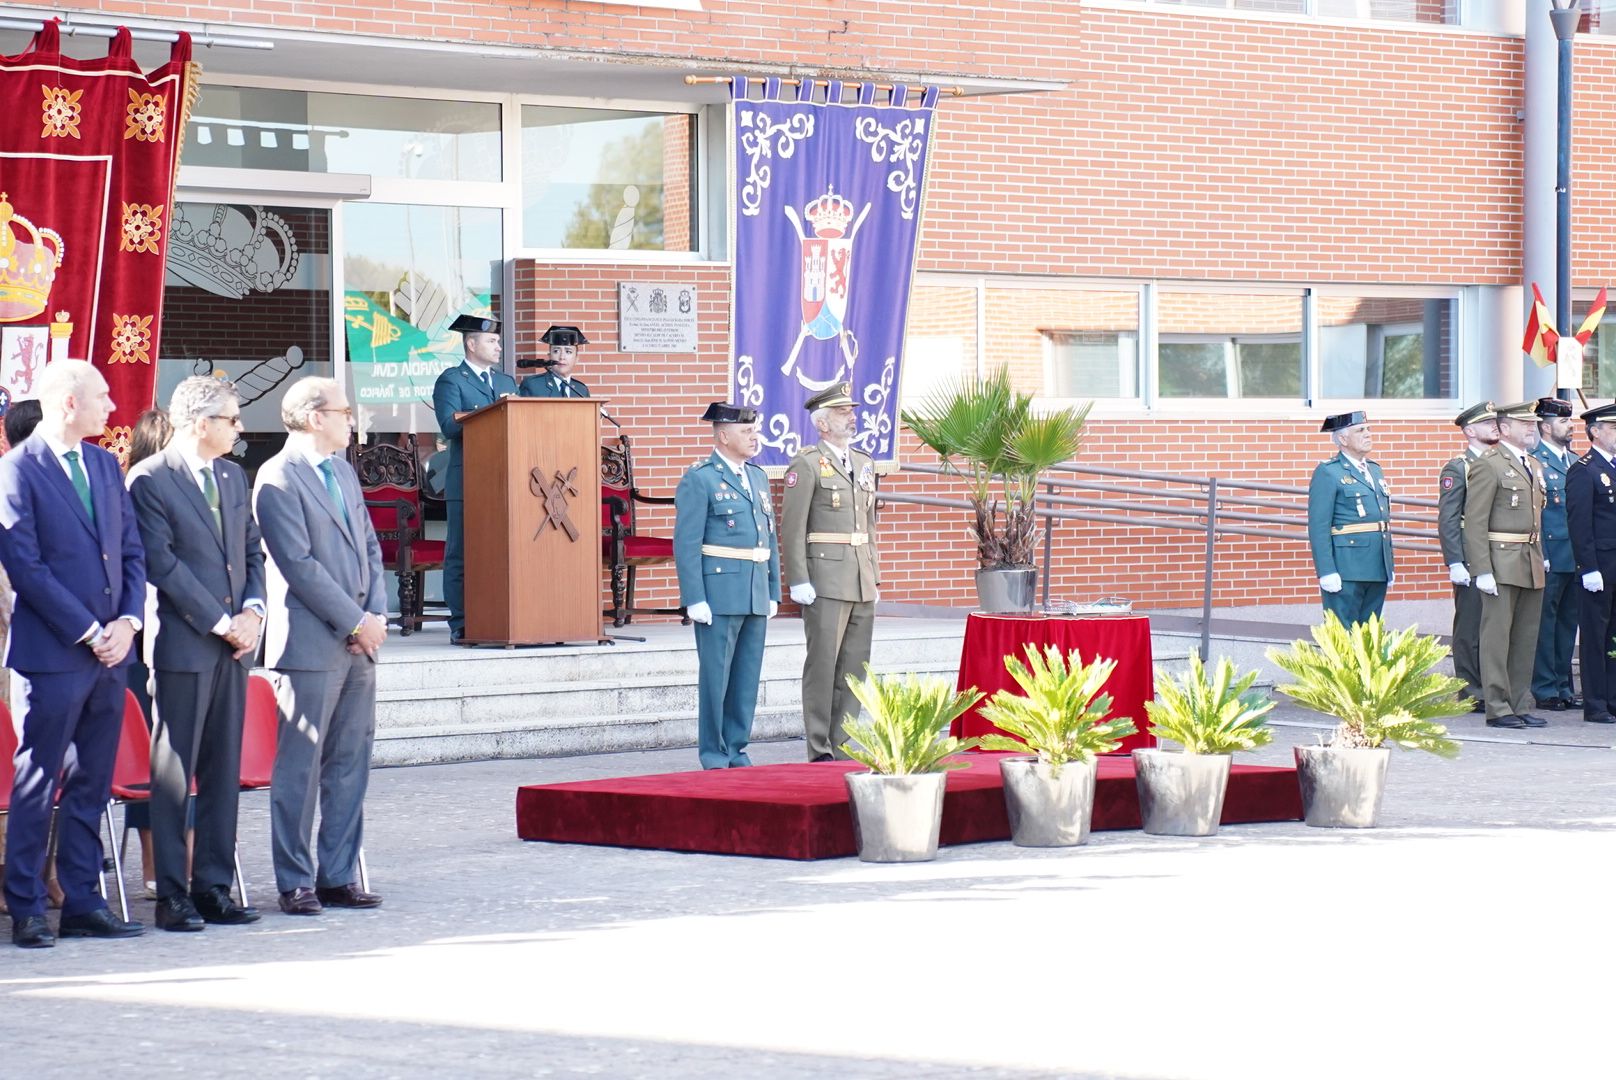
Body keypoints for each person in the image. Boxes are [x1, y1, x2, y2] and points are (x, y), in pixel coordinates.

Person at [0, 360, 147, 948]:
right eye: (102, 398)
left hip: (113, 655)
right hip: (56, 654)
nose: (112, 408)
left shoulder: (105, 466)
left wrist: (129, 623)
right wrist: (90, 630)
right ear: (67, 403)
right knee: (40, 780)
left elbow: (131, 552)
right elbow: (26, 568)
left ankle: (85, 900)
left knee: (93, 781)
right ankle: (28, 905)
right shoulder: (18, 471)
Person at [128, 377, 265, 932]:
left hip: (235, 646)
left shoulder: (233, 477)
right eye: (231, 419)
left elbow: (252, 551)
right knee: (173, 771)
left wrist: (254, 612)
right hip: (186, 643)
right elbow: (162, 565)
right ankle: (173, 893)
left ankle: (214, 888)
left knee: (223, 768)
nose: (239, 428)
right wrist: (219, 622)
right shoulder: (151, 478)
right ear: (199, 423)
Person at [253, 377, 387, 916]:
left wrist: (375, 616)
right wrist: (354, 622)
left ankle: (337, 874)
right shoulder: (277, 478)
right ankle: (295, 879)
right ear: (314, 417)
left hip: (360, 639)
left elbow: (371, 546)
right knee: (300, 769)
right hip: (311, 641)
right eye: (343, 410)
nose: (351, 419)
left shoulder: (343, 472)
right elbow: (298, 567)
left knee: (350, 762)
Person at [673, 402, 780, 769]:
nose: (755, 437)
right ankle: (714, 753)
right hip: (719, 592)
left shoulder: (758, 476)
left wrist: (773, 590)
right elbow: (686, 543)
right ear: (723, 436)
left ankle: (737, 748)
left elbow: (769, 537)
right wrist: (694, 598)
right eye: (746, 432)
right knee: (716, 678)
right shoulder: (700, 477)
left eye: (754, 430)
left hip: (753, 590)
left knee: (747, 678)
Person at [781, 383, 879, 762]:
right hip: (826, 577)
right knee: (823, 665)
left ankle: (843, 742)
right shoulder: (806, 464)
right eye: (842, 412)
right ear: (822, 424)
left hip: (861, 577)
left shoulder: (864, 462)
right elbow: (792, 527)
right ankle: (819, 746)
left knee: (855, 666)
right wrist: (799, 579)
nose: (852, 416)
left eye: (851, 410)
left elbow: (869, 524)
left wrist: (875, 575)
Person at [431, 313, 516, 645]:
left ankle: (498, 615)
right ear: (471, 343)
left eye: (498, 341)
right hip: (468, 479)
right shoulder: (452, 380)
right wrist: (493, 412)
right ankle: (462, 622)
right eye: (491, 341)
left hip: (505, 480)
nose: (498, 346)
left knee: (502, 550)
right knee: (462, 553)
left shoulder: (507, 382)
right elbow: (450, 426)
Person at [1464, 400, 1548, 730]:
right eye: (1523, 422)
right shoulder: (1490, 464)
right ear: (1504, 428)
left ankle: (1518, 701)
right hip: (1500, 561)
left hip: (1530, 558)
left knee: (1525, 637)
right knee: (1497, 637)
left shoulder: (1534, 465)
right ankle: (1497, 705)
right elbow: (1475, 521)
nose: (1531, 427)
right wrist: (1481, 568)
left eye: (1532, 422)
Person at [1306, 411, 1393, 627]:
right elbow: (1318, 526)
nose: (1368, 434)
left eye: (1368, 429)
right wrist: (1326, 571)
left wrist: (1388, 564)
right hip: (1346, 567)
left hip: (1376, 565)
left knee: (1369, 636)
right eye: (1360, 430)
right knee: (1342, 636)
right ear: (1343, 439)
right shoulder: (1328, 472)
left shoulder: (1374, 470)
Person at [1438, 402, 1497, 712]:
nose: (1494, 426)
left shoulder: (1501, 462)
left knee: (1495, 625)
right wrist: (1455, 561)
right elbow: (1449, 518)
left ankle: (1493, 685)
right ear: (1470, 431)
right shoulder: (1459, 466)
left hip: (1498, 551)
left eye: (1495, 421)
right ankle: (1471, 690)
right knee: (1471, 625)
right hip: (1470, 555)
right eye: (1487, 423)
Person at [1567, 402, 1616, 725]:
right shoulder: (1583, 470)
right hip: (1601, 566)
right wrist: (1589, 568)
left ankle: (1612, 697)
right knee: (1595, 637)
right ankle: (1596, 703)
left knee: (1613, 636)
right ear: (1595, 432)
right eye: (1613, 428)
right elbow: (1580, 523)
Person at [1531, 397, 1579, 711]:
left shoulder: (1575, 461)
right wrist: (1542, 553)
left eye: (1569, 420)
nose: (1570, 425)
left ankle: (1564, 687)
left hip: (1575, 555)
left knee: (1567, 626)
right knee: (1544, 625)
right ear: (1546, 427)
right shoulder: (1535, 462)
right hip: (1550, 554)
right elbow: (1536, 515)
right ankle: (1545, 688)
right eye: (1563, 421)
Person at [518, 325, 591, 398]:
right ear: (549, 356)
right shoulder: (533, 385)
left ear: (576, 359)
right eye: (556, 351)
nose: (562, 357)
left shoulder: (581, 390)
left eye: (568, 351)